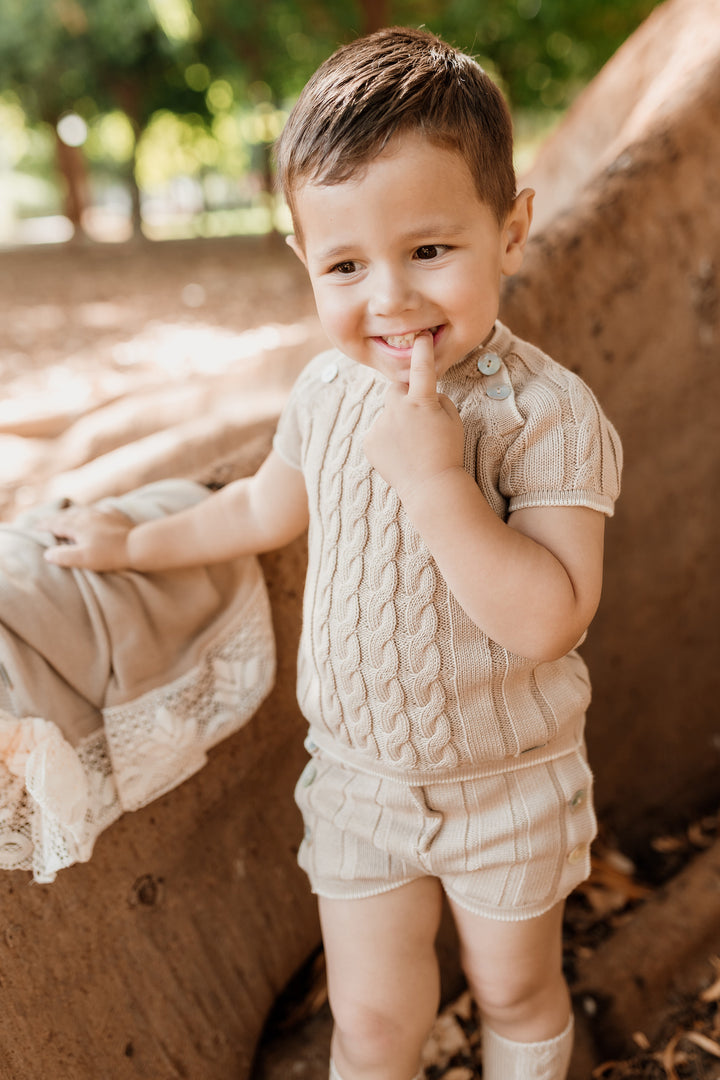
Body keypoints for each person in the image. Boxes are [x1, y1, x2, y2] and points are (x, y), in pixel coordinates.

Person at [43, 26, 622, 1080]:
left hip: (509, 783)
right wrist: (138, 542)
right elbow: (262, 509)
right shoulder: (324, 391)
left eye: (430, 251)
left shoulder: (547, 414)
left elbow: (550, 618)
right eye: (347, 265)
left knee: (516, 991)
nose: (390, 300)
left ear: (513, 229)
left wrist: (437, 482)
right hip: (358, 782)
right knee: (371, 1020)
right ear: (304, 260)